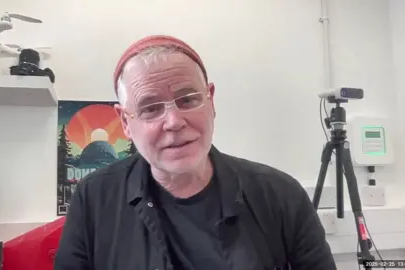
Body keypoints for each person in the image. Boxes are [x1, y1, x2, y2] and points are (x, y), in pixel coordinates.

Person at [54, 35, 337, 270]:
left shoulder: (282, 196)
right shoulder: (93, 198)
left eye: (188, 99)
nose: (175, 122)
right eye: (151, 108)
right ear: (126, 122)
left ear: (210, 100)